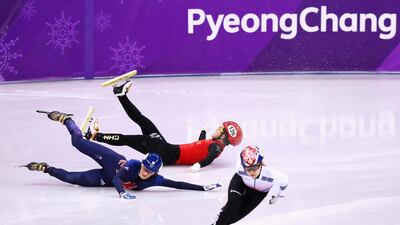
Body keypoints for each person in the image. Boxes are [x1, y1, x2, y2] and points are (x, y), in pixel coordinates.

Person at [23, 111, 221, 199]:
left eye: (148, 172)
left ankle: (46, 168)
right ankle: (67, 120)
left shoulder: (155, 179)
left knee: (70, 178)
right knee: (78, 142)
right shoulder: (134, 165)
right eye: (144, 168)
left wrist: (202, 187)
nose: (144, 173)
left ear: (155, 173)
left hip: (105, 178)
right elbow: (118, 178)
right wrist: (122, 192)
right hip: (111, 161)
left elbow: (177, 185)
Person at [86, 79, 243, 173]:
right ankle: (121, 94)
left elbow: (208, 159)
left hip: (165, 154)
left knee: (129, 139)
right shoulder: (213, 144)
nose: (216, 129)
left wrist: (198, 166)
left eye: (219, 129)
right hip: (167, 148)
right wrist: (203, 131)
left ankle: (94, 135)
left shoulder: (216, 148)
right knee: (143, 120)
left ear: (224, 136)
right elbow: (198, 147)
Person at [212, 146, 288, 225]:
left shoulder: (271, 175)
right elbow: (241, 153)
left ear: (260, 164)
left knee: (235, 217)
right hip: (241, 181)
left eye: (254, 168)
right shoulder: (240, 168)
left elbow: (285, 180)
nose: (251, 172)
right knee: (233, 204)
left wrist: (279, 196)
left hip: (258, 192)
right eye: (248, 169)